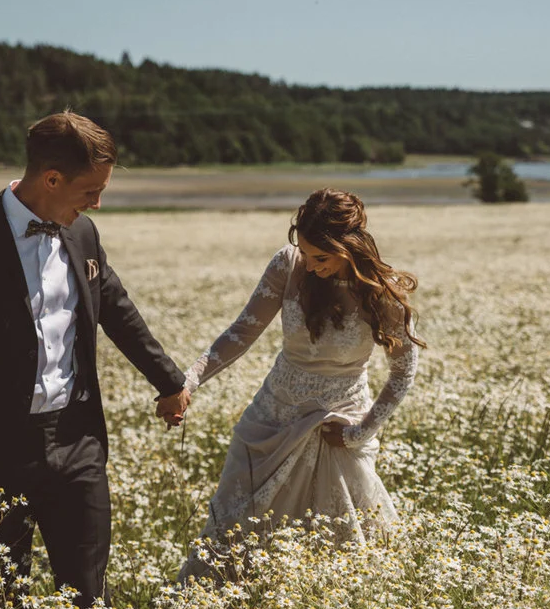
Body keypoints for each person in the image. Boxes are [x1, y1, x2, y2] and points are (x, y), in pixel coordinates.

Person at [0, 110, 190, 608]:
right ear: (52, 178)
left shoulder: (82, 234)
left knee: (85, 596)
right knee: (1, 597)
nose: (97, 204)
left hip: (77, 440)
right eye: (90, 192)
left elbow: (116, 309)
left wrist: (168, 381)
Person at [178, 188, 425, 581]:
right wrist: (189, 380)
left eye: (321, 257)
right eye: (306, 253)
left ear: (350, 246)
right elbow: (242, 332)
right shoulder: (287, 265)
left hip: (336, 429)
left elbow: (402, 373)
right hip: (270, 421)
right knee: (235, 524)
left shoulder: (383, 292)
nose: (310, 266)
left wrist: (360, 432)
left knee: (333, 542)